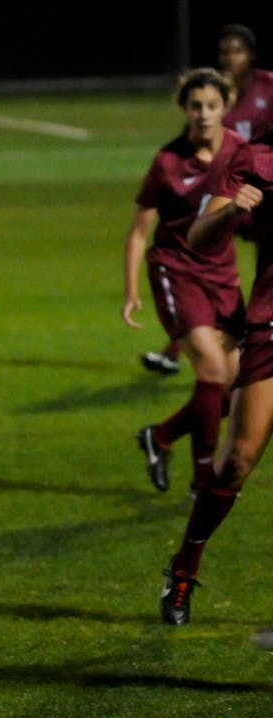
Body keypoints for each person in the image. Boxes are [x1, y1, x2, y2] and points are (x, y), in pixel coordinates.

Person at [160, 127, 273, 628]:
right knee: (236, 462)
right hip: (271, 328)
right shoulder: (257, 158)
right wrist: (231, 211)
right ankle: (185, 565)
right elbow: (199, 234)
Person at [122, 68, 247, 502]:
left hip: (223, 275)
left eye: (212, 105)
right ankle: (202, 481)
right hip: (176, 271)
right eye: (196, 106)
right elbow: (139, 232)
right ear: (185, 110)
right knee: (212, 371)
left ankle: (160, 436)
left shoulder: (239, 150)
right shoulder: (168, 162)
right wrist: (131, 290)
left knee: (234, 388)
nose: (204, 114)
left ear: (226, 107)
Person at [141, 23, 273, 375]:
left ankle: (249, 339)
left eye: (237, 51)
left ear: (251, 55)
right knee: (199, 255)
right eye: (224, 52)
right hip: (230, 189)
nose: (230, 58)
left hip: (263, 188)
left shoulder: (268, 86)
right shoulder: (215, 94)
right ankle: (180, 345)